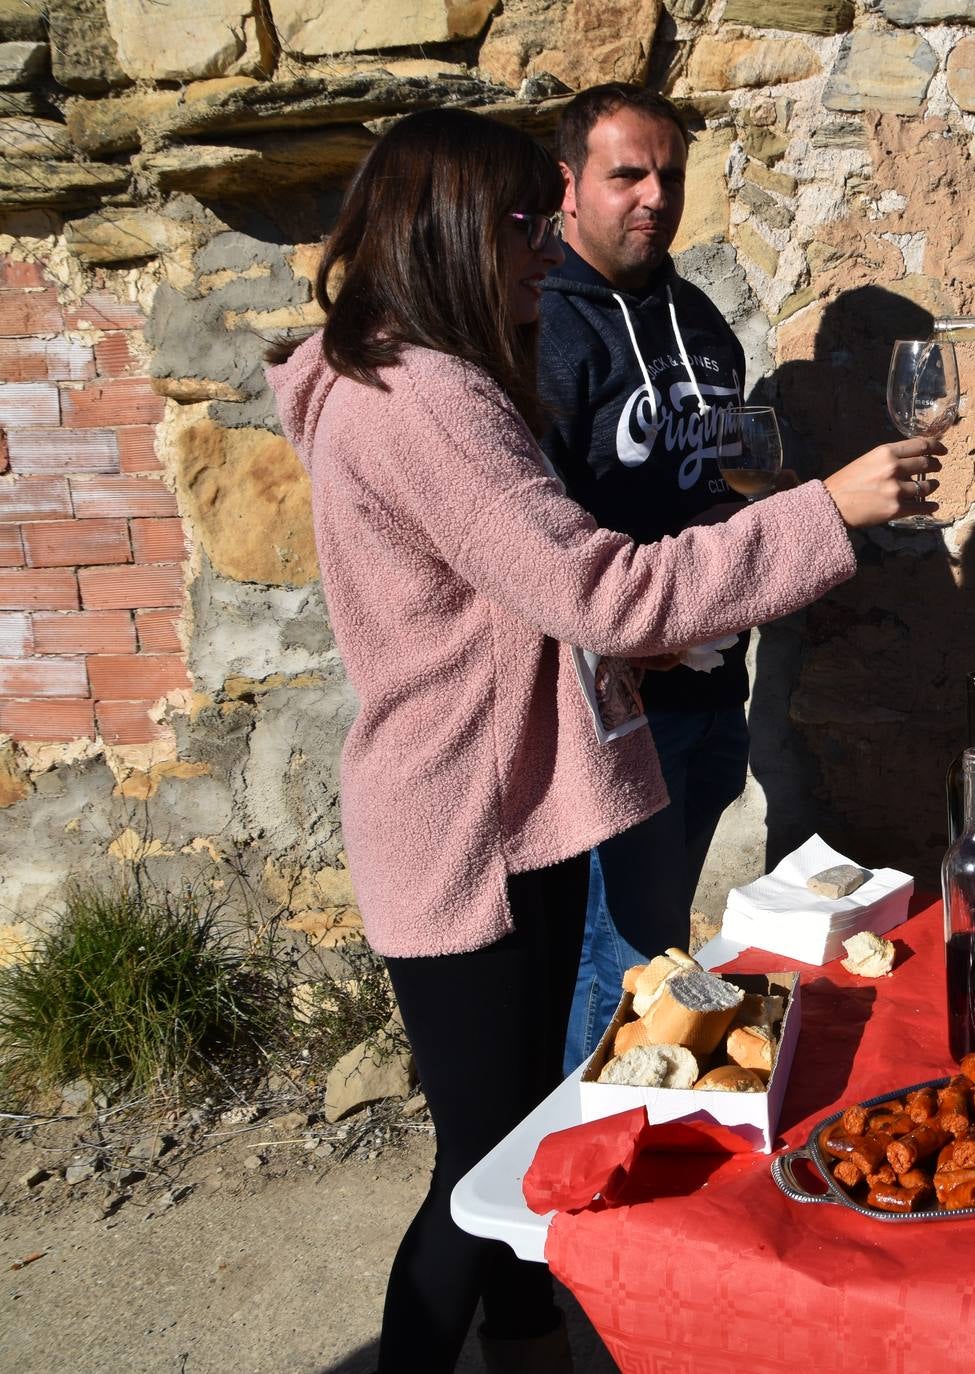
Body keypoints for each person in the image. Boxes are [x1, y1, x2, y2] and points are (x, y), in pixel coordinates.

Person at [265, 109, 940, 1374]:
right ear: (453, 230)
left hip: (500, 813)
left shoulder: (422, 378)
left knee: (522, 1127)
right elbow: (602, 595)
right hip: (459, 828)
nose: (545, 246)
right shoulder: (422, 398)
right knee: (481, 1171)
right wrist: (824, 513)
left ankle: (532, 1351)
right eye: (525, 222)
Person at [535, 84, 763, 1074]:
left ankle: (638, 1140)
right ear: (568, 183)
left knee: (662, 943)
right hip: (618, 707)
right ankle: (565, 1201)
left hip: (718, 690)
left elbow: (727, 471)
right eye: (627, 173)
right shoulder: (546, 328)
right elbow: (526, 537)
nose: (654, 197)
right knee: (619, 960)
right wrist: (621, 640)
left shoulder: (701, 322)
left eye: (669, 174)